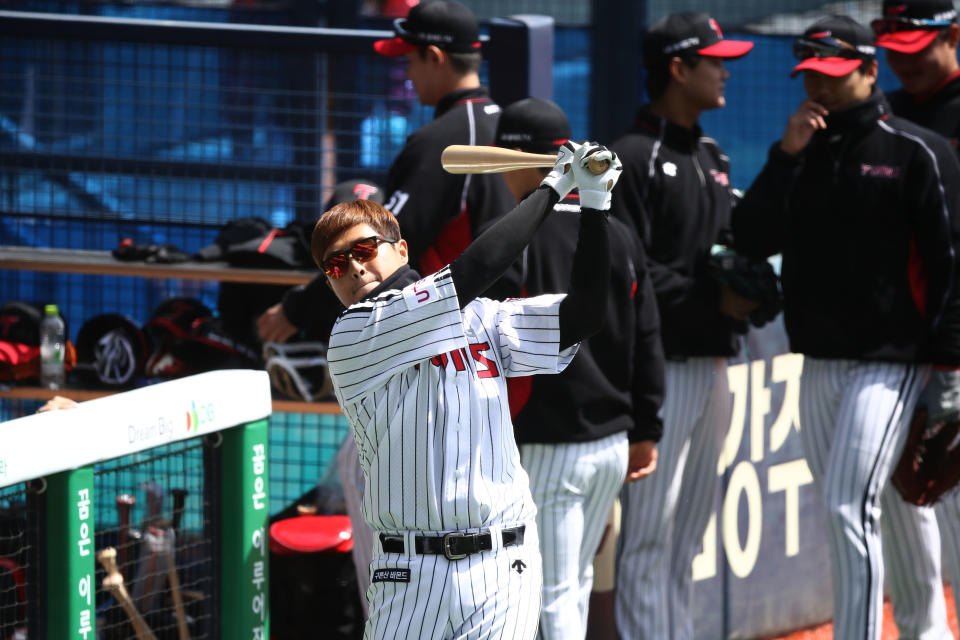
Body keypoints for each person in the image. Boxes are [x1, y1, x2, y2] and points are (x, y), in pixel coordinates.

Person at [315, 142, 623, 638]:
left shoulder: (481, 318)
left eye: (364, 250)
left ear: (401, 249)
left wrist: (594, 204)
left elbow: (583, 316)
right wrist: (553, 187)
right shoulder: (354, 335)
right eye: (334, 265)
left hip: (503, 568)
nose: (353, 268)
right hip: (407, 574)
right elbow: (476, 269)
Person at [732, 15, 960, 640]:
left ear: (867, 70)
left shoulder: (916, 150)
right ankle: (925, 633)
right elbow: (750, 239)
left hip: (894, 364)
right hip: (819, 363)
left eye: (834, 74)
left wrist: (950, 367)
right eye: (810, 74)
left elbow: (953, 265)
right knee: (886, 505)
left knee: (845, 505)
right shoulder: (799, 154)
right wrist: (783, 158)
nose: (821, 86)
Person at [488, 97, 664, 640]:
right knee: (576, 584)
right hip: (610, 442)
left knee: (550, 595)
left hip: (548, 444)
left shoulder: (515, 235)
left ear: (515, 158)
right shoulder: (617, 229)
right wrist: (647, 428)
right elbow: (648, 335)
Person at [605, 12, 755, 640]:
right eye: (714, 60)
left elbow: (729, 252)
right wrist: (708, 298)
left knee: (687, 537)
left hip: (715, 364)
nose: (726, 71)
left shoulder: (713, 156)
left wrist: (748, 286)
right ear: (678, 68)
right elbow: (627, 270)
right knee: (647, 538)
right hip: (659, 368)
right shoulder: (630, 157)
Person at [874, 0, 960, 628]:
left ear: (952, 35)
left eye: (916, 50)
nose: (904, 65)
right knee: (905, 502)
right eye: (893, 51)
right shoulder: (884, 117)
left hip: (955, 342)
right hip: (897, 349)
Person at [373, 0, 515, 277]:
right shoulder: (507, 123)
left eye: (410, 61)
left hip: (455, 313)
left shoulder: (442, 141)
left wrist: (296, 309)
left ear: (436, 57)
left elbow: (385, 247)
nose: (408, 74)